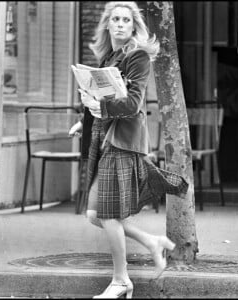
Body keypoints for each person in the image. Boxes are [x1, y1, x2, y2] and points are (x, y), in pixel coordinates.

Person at [69, 2, 189, 298]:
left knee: (107, 215)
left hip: (122, 142)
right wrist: (84, 123)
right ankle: (151, 242)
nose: (120, 24)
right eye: (115, 19)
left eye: (126, 20)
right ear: (107, 25)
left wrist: (101, 106)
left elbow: (133, 103)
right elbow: (103, 96)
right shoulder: (110, 55)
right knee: (96, 215)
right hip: (105, 137)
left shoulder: (137, 57)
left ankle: (121, 280)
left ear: (133, 26)